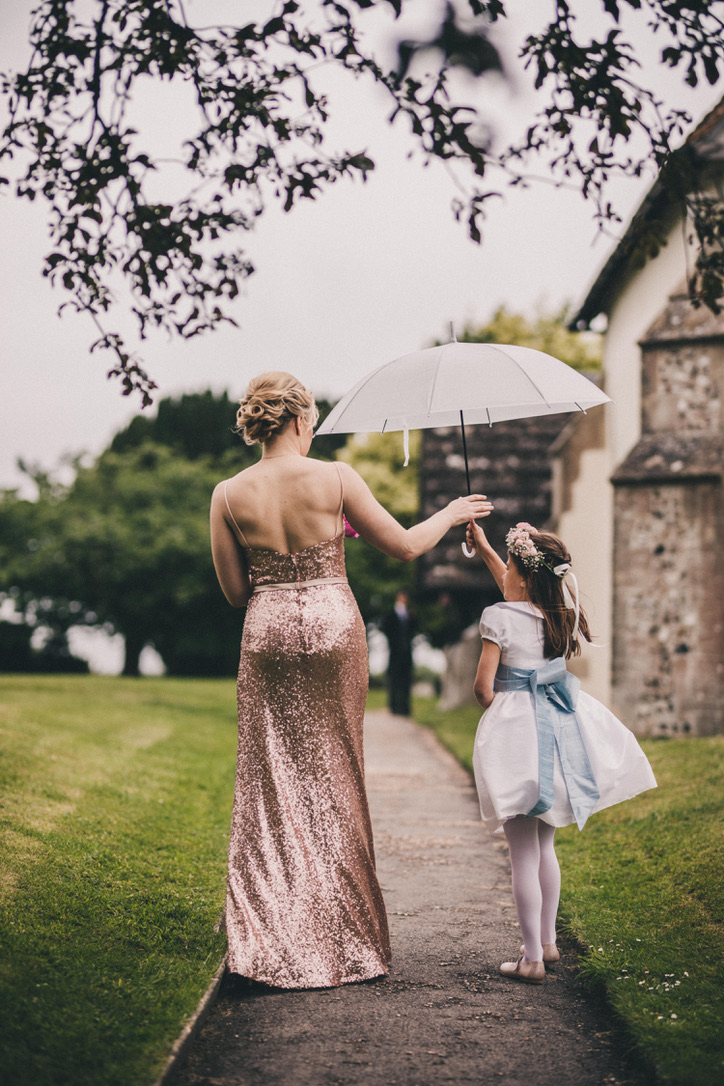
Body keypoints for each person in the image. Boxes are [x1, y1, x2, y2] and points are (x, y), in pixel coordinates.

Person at [210, 371, 493, 990]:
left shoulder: (227, 494)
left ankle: (271, 925)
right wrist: (449, 513)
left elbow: (236, 593)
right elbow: (407, 548)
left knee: (271, 776)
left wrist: (280, 576)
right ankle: (342, 938)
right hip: (336, 628)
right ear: (299, 421)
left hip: (269, 629)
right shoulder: (337, 478)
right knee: (336, 768)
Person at [465, 518, 657, 985]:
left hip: (518, 738)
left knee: (521, 855)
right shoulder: (559, 612)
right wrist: (490, 549)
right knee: (545, 844)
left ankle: (530, 959)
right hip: (558, 730)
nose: (503, 574)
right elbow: (518, 595)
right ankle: (547, 943)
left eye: (508, 567)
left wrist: (501, 710)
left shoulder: (498, 616)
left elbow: (482, 688)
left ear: (524, 575)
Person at [382, 590, 416, 716]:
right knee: (394, 680)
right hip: (395, 652)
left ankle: (405, 707)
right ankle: (394, 706)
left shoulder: (410, 614)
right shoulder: (391, 615)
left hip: (407, 653)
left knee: (406, 681)